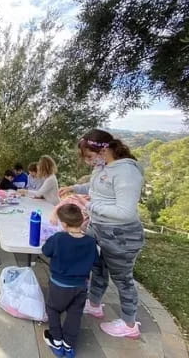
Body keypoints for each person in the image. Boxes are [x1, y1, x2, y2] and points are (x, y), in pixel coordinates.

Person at [59, 128, 145, 339]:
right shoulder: (104, 166)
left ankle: (129, 323)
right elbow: (96, 187)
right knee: (97, 268)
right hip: (99, 229)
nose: (88, 161)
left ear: (103, 150)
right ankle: (95, 304)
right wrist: (76, 188)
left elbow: (125, 212)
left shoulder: (127, 172)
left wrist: (90, 207)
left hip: (121, 236)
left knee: (122, 279)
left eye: (89, 156)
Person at [42, 204, 98, 358]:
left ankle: (57, 341)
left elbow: (46, 251)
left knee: (53, 309)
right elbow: (96, 261)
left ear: (64, 224)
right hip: (81, 286)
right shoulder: (90, 241)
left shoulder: (59, 238)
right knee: (75, 314)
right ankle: (69, 345)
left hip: (60, 284)